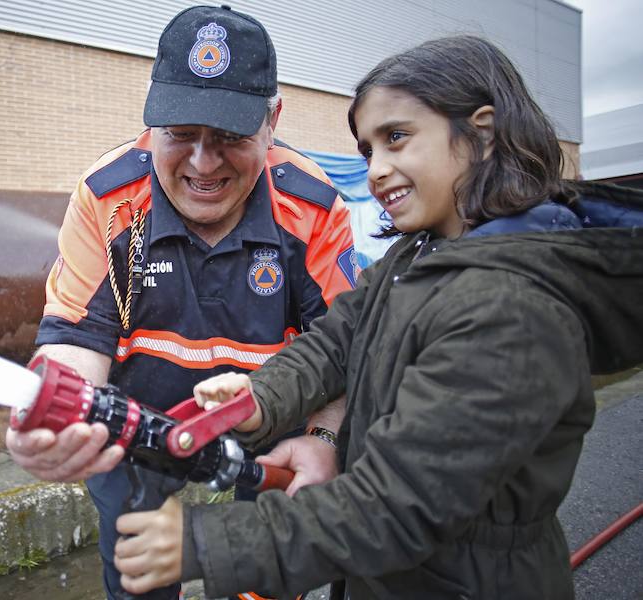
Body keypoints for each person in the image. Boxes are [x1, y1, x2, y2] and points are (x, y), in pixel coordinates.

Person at [111, 35, 643, 599]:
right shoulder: (415, 255)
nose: (376, 170)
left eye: (396, 138)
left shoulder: (510, 308)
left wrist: (203, 542)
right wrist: (260, 398)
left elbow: (396, 506)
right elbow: (336, 340)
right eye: (368, 150)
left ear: (482, 134)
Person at [6, 5, 357, 599]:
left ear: (273, 119)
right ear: (150, 115)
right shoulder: (108, 198)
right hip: (137, 422)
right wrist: (51, 420)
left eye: (229, 136)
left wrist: (324, 443)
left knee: (265, 575)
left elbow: (347, 348)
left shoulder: (314, 208)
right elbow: (73, 340)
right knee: (138, 573)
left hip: (271, 418)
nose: (202, 162)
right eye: (180, 133)